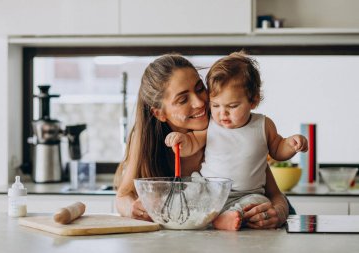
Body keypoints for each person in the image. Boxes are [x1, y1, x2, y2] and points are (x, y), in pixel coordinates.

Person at [114, 53, 291, 229]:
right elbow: (122, 197)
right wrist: (133, 209)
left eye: (200, 89)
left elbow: (275, 195)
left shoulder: (228, 130)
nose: (199, 103)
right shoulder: (147, 142)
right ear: (159, 113)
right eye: (183, 99)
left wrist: (278, 213)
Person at [164, 51, 308, 231]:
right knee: (191, 192)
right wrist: (181, 140)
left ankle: (224, 219)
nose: (222, 113)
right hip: (210, 189)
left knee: (258, 203)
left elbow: (278, 150)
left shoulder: (263, 125)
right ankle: (203, 216)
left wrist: (292, 144)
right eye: (215, 105)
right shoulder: (211, 125)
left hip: (247, 194)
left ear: (253, 100)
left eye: (232, 106)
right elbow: (191, 143)